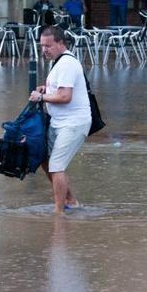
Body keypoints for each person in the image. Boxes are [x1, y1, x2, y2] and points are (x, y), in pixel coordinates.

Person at [28, 26, 92, 215]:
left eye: (48, 46)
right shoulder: (58, 62)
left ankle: (59, 214)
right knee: (45, 161)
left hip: (73, 123)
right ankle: (71, 201)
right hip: (58, 122)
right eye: (41, 46)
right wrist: (45, 90)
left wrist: (41, 97)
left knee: (56, 165)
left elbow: (65, 96)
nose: (44, 50)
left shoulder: (66, 64)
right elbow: (59, 89)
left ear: (61, 43)